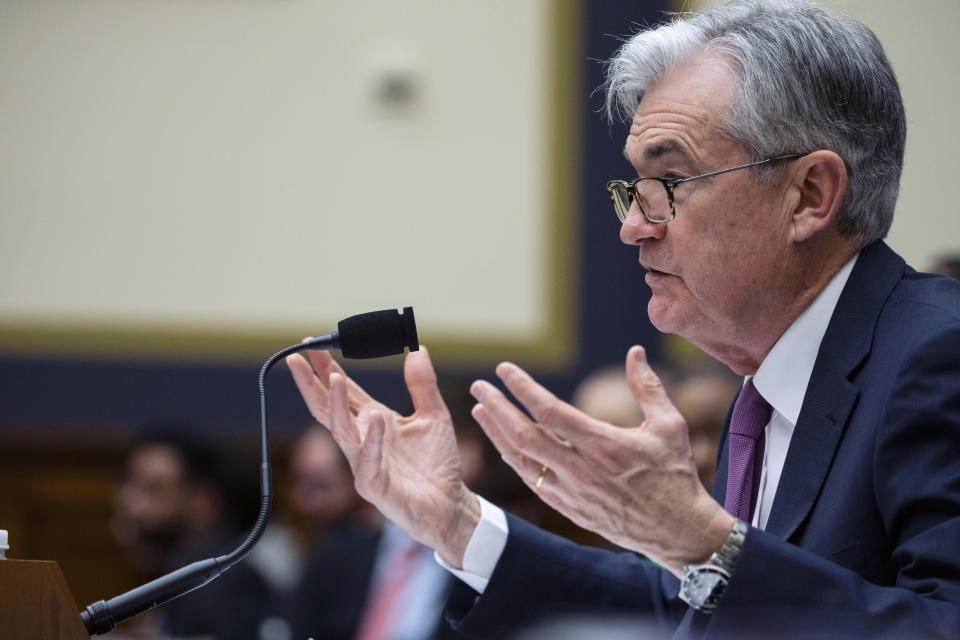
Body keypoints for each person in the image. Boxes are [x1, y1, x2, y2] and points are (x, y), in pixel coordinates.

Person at [285, 1, 960, 637]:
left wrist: (706, 545)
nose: (633, 227)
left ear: (809, 196)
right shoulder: (769, 389)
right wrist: (457, 524)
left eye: (668, 185)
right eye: (631, 190)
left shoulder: (937, 355)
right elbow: (694, 608)